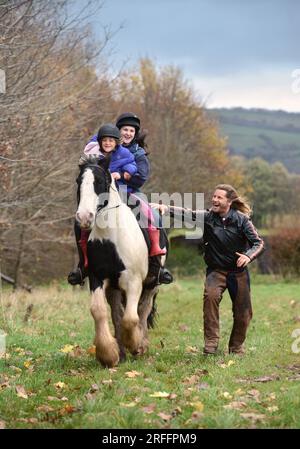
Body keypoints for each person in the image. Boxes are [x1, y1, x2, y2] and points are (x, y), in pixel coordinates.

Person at [152, 184, 264, 355]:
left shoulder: (242, 220)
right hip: (216, 271)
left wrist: (248, 256)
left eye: (219, 197)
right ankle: (211, 343)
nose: (214, 199)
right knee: (210, 300)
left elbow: (259, 243)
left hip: (238, 273)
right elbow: (187, 213)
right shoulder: (208, 217)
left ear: (229, 201)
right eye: (214, 196)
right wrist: (166, 208)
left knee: (244, 313)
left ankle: (236, 347)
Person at [68, 114, 173, 285]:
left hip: (129, 190)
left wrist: (123, 175)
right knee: (81, 219)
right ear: (117, 131)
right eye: (125, 129)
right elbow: (90, 154)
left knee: (150, 214)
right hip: (102, 194)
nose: (128, 133)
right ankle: (83, 265)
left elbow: (140, 177)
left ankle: (157, 262)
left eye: (132, 131)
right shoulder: (101, 143)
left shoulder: (136, 152)